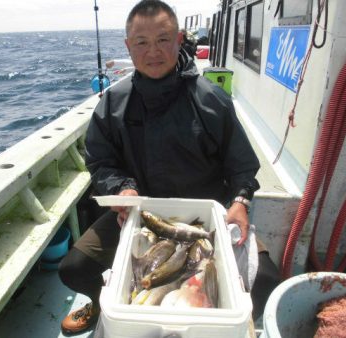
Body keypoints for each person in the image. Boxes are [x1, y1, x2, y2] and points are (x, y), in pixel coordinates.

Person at [58, 0, 280, 334]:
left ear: (178, 40)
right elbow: (101, 161)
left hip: (206, 217)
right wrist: (121, 189)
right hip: (138, 214)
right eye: (141, 42)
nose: (153, 51)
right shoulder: (112, 104)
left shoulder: (212, 99)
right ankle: (98, 303)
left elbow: (242, 166)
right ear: (128, 47)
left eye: (163, 39)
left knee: (265, 279)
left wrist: (240, 202)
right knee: (73, 268)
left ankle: (223, 326)